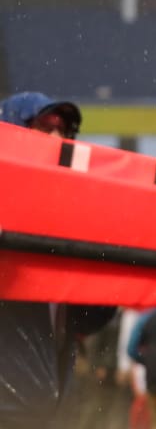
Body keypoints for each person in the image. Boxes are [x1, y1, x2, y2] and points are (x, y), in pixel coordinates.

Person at [0, 92, 118, 428]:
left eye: (63, 130)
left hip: (53, 408)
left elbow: (87, 320)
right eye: (44, 126)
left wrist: (111, 276)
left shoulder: (68, 221)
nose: (57, 138)